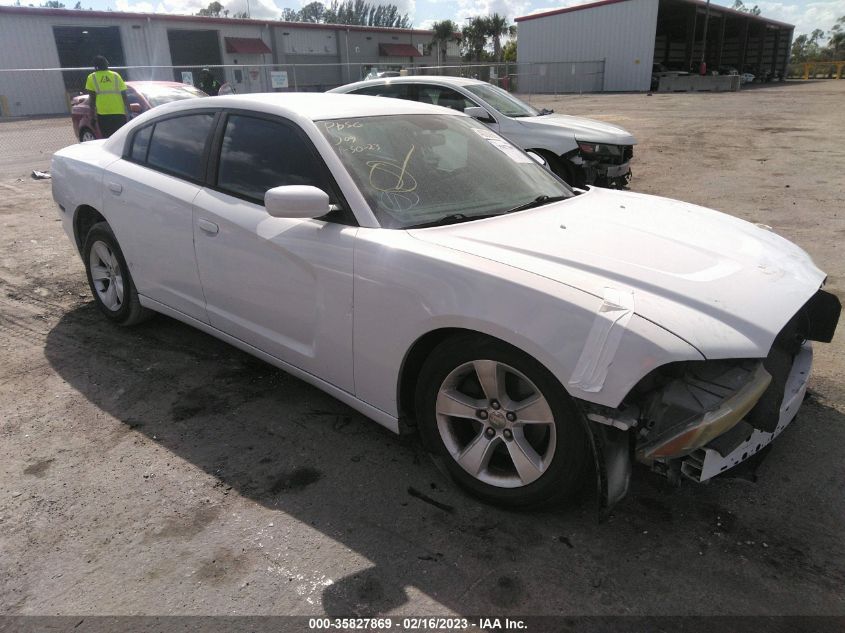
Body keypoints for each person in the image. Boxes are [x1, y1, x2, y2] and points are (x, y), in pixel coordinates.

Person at [85, 56, 130, 139]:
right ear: (107, 64)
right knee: (121, 139)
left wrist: (92, 117)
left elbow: (92, 100)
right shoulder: (116, 75)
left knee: (108, 139)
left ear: (95, 66)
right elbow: (124, 96)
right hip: (119, 114)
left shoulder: (92, 77)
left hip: (103, 115)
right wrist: (129, 113)